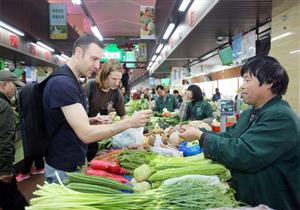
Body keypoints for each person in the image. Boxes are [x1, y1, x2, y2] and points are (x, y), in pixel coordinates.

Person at [179, 56, 300, 209]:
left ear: (270, 83)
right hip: (250, 200)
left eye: (247, 80)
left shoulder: (281, 117)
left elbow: (243, 153)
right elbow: (228, 137)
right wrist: (198, 131)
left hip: (272, 201)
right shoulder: (249, 113)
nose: (242, 87)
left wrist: (201, 136)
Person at [42, 35, 152, 183]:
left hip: (73, 161)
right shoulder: (63, 84)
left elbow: (67, 121)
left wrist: (91, 120)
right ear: (79, 52)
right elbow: (86, 134)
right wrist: (129, 123)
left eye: (99, 60)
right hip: (62, 167)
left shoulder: (73, 82)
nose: (96, 65)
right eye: (93, 59)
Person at [83, 59, 126, 161]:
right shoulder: (90, 87)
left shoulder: (116, 93)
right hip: (83, 132)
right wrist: (93, 119)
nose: (117, 83)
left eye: (119, 80)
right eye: (114, 79)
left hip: (98, 135)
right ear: (105, 75)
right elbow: (77, 117)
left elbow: (123, 116)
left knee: (92, 162)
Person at [0, 70, 28, 210]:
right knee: (14, 201)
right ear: (3, 85)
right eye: (14, 85)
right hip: (1, 167)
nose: (16, 89)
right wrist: (6, 170)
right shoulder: (4, 106)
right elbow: (4, 140)